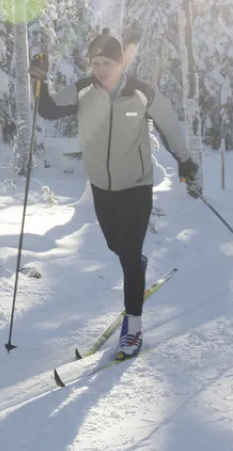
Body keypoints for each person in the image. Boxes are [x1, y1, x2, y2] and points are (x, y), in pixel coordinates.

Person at [29, 30, 201, 360]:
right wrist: (40, 81)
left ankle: (133, 328)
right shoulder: (83, 90)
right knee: (117, 247)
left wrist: (185, 160)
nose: (100, 69)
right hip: (102, 188)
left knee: (128, 256)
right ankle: (136, 262)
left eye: (107, 62)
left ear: (120, 63)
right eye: (95, 63)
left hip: (136, 185)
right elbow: (49, 110)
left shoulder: (141, 93)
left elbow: (168, 124)